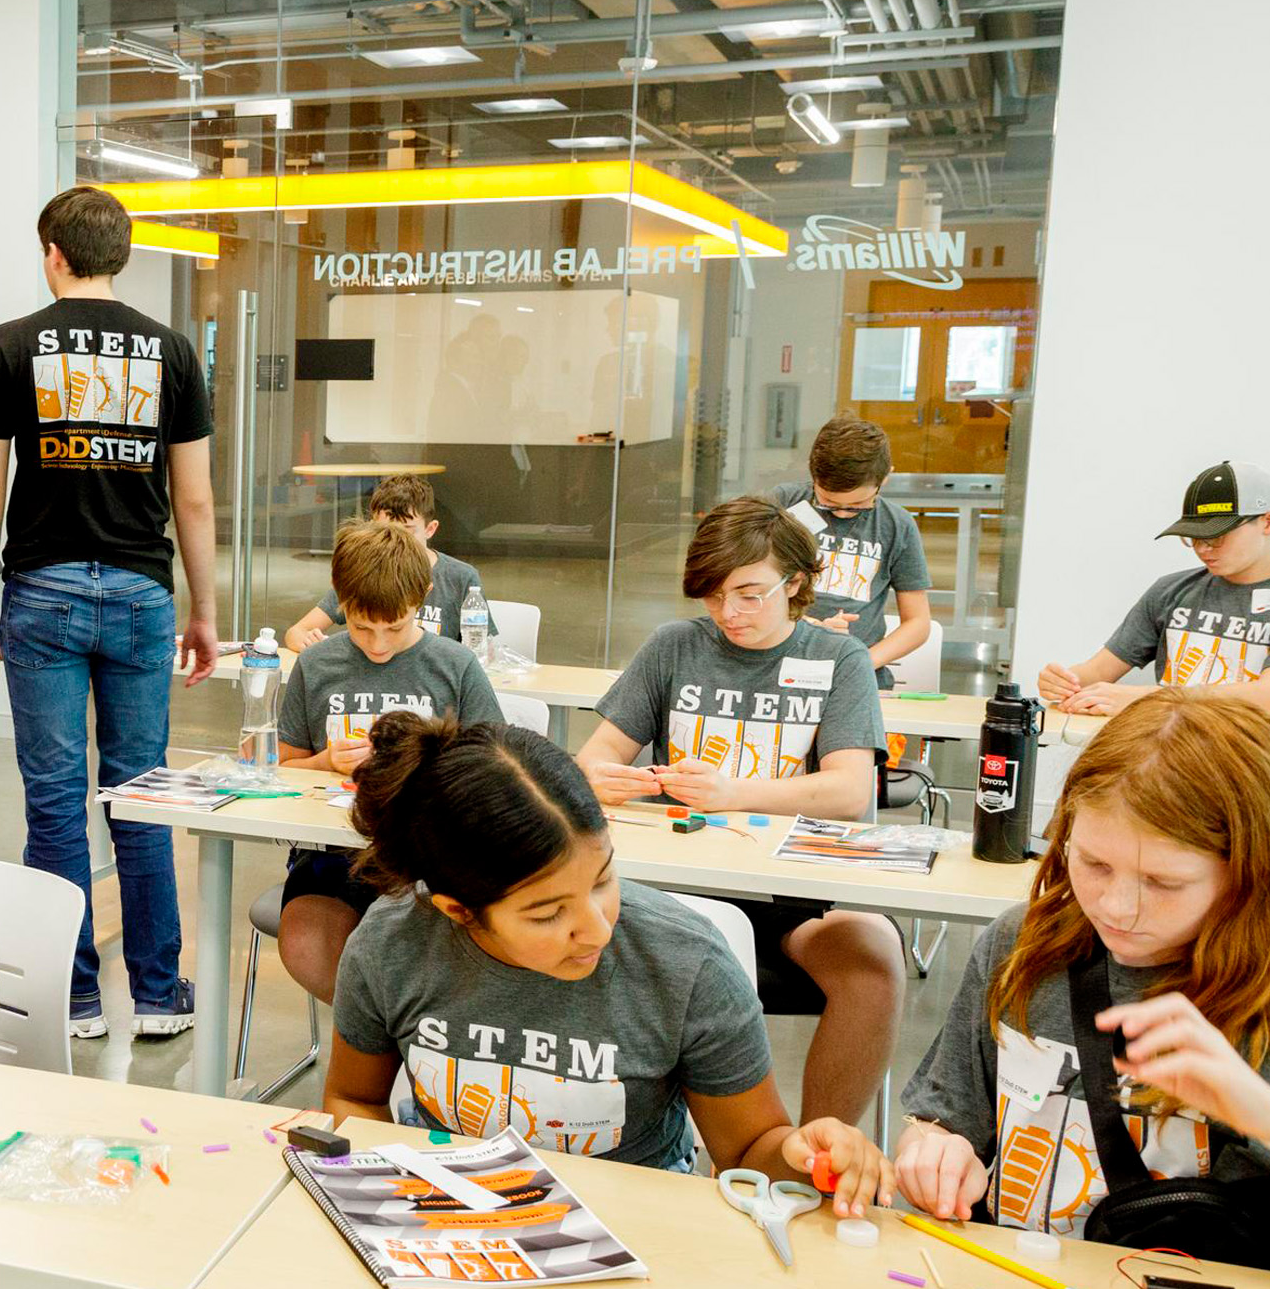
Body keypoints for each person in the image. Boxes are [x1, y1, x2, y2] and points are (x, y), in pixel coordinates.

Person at [895, 690, 1270, 1262]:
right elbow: (943, 1121)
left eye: (1165, 883)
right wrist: (933, 1150)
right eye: (1094, 863)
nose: (1117, 908)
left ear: (1251, 871)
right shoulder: (1021, 943)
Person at [326, 713, 894, 1213]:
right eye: (548, 914)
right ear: (460, 911)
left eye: (603, 880)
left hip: (635, 1219)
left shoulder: (683, 964)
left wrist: (802, 1154)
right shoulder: (392, 944)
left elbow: (749, 1151)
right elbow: (355, 1099)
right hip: (444, 1209)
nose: (597, 927)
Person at [0, 185, 217, 1038]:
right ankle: (155, 994)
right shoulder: (173, 352)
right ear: (121, 255)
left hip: (43, 591)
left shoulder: (8, 346)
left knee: (55, 802)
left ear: (54, 255)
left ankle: (69, 999)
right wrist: (204, 610)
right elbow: (197, 501)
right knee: (139, 794)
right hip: (144, 592)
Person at [574, 496, 898, 1129]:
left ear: (797, 582)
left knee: (873, 960)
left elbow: (849, 790)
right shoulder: (674, 647)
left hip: (786, 898)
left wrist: (733, 792)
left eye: (749, 594)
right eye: (715, 597)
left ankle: (816, 1156)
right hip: (670, 888)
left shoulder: (840, 660)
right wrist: (603, 780)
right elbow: (595, 757)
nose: (730, 614)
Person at [275, 519, 503, 1003]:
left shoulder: (455, 665)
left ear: (422, 596)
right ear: (340, 602)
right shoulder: (316, 666)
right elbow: (281, 768)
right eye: (361, 627)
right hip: (332, 858)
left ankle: (399, 1039)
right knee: (305, 941)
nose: (377, 645)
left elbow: (496, 769)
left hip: (429, 862)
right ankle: (374, 1035)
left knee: (439, 944)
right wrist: (325, 763)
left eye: (395, 628)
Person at [1037, 461, 1270, 720]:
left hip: (1257, 764)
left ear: (1269, 522)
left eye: (1217, 536)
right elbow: (1099, 671)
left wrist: (1144, 699)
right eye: (1193, 538)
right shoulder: (1171, 590)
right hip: (1173, 754)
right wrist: (1065, 682)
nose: (1203, 549)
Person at [764, 417, 931, 688]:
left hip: (857, 675)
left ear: (885, 477)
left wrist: (859, 661)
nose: (842, 512)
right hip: (776, 662)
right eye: (828, 502)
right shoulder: (783, 504)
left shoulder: (896, 526)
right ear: (813, 476)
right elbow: (743, 586)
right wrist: (800, 624)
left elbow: (918, 622)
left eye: (858, 504)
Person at [283, 474, 493, 652]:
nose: (395, 539)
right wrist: (308, 642)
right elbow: (297, 632)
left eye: (406, 530)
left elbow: (481, 649)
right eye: (384, 531)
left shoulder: (461, 577)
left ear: (430, 529)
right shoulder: (363, 571)